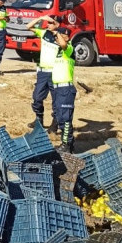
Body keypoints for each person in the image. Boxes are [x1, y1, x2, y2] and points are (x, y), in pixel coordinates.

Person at [25, 15, 61, 132]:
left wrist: (57, 33)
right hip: (43, 72)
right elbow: (28, 26)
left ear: (57, 24)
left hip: (54, 73)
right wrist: (41, 18)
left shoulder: (61, 36)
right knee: (37, 96)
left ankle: (55, 123)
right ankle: (38, 120)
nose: (49, 24)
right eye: (48, 23)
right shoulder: (44, 33)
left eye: (51, 23)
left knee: (56, 100)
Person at [50, 23, 76, 153]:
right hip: (58, 89)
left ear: (66, 37)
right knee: (60, 118)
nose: (57, 38)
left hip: (66, 89)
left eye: (61, 35)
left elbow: (64, 44)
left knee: (65, 119)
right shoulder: (59, 51)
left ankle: (66, 144)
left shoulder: (69, 48)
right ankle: (69, 143)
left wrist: (56, 33)